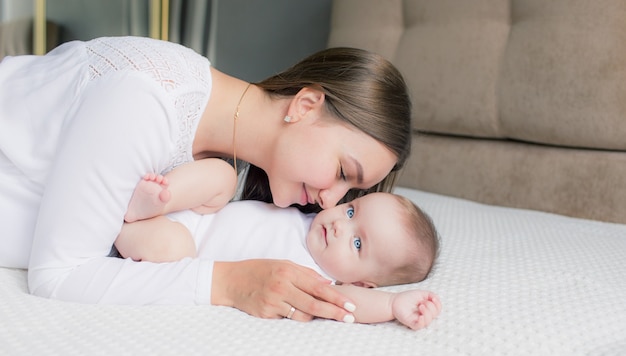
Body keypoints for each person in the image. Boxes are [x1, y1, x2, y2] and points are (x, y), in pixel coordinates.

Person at [0, 36, 412, 323]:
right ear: (305, 105)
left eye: (350, 193)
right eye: (343, 173)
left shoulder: (220, 159)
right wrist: (230, 282)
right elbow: (58, 276)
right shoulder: (146, 102)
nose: (330, 201)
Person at [115, 178, 441, 329]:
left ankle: (127, 223)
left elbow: (349, 305)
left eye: (358, 244)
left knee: (169, 248)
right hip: (200, 214)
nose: (341, 226)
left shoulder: (318, 279)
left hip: (188, 247)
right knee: (220, 177)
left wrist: (393, 305)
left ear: (362, 282)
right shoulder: (312, 215)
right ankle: (156, 202)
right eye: (352, 212)